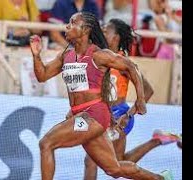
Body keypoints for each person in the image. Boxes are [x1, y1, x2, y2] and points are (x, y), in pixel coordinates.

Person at [29, 11, 173, 180]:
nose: (67, 26)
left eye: (72, 23)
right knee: (114, 169)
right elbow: (42, 75)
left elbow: (131, 67)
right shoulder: (66, 55)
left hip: (93, 115)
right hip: (81, 115)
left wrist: (140, 100)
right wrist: (36, 56)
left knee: (46, 143)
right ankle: (160, 178)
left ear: (86, 29)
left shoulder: (98, 55)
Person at [83, 18, 180, 180]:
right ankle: (156, 145)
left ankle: (160, 175)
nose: (102, 33)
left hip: (119, 115)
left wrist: (129, 114)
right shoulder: (101, 57)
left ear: (116, 38)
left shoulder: (123, 63)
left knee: (92, 160)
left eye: (106, 31)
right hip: (103, 115)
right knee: (117, 165)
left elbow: (147, 91)